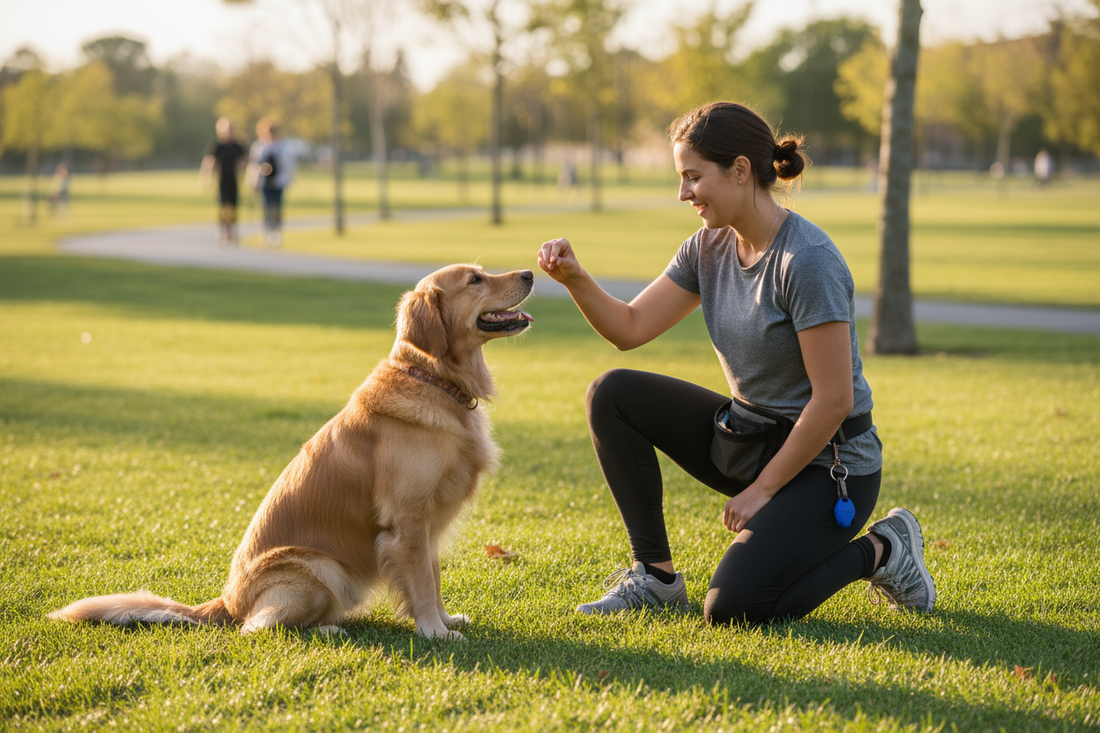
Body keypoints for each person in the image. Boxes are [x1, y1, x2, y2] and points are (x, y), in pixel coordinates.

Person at [536, 102, 936, 626]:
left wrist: (763, 490)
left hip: (828, 465)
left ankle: (883, 549)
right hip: (748, 439)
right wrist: (575, 278)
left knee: (735, 608)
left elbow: (834, 399)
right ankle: (655, 578)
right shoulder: (707, 248)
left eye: (693, 176)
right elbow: (630, 328)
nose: (684, 194)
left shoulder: (806, 260)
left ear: (741, 170)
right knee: (613, 394)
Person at [247, 118, 295, 247]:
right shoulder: (259, 146)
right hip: (264, 182)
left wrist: (289, 180)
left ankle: (277, 233)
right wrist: (252, 181)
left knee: (277, 207)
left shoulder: (283, 146)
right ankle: (267, 233)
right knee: (267, 207)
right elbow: (253, 165)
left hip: (278, 181)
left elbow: (289, 165)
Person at [200, 117, 247, 246]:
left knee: (233, 207)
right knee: (222, 207)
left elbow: (245, 161)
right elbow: (209, 162)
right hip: (222, 180)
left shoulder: (238, 146)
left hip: (234, 180)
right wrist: (206, 179)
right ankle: (223, 231)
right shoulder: (217, 146)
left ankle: (232, 231)